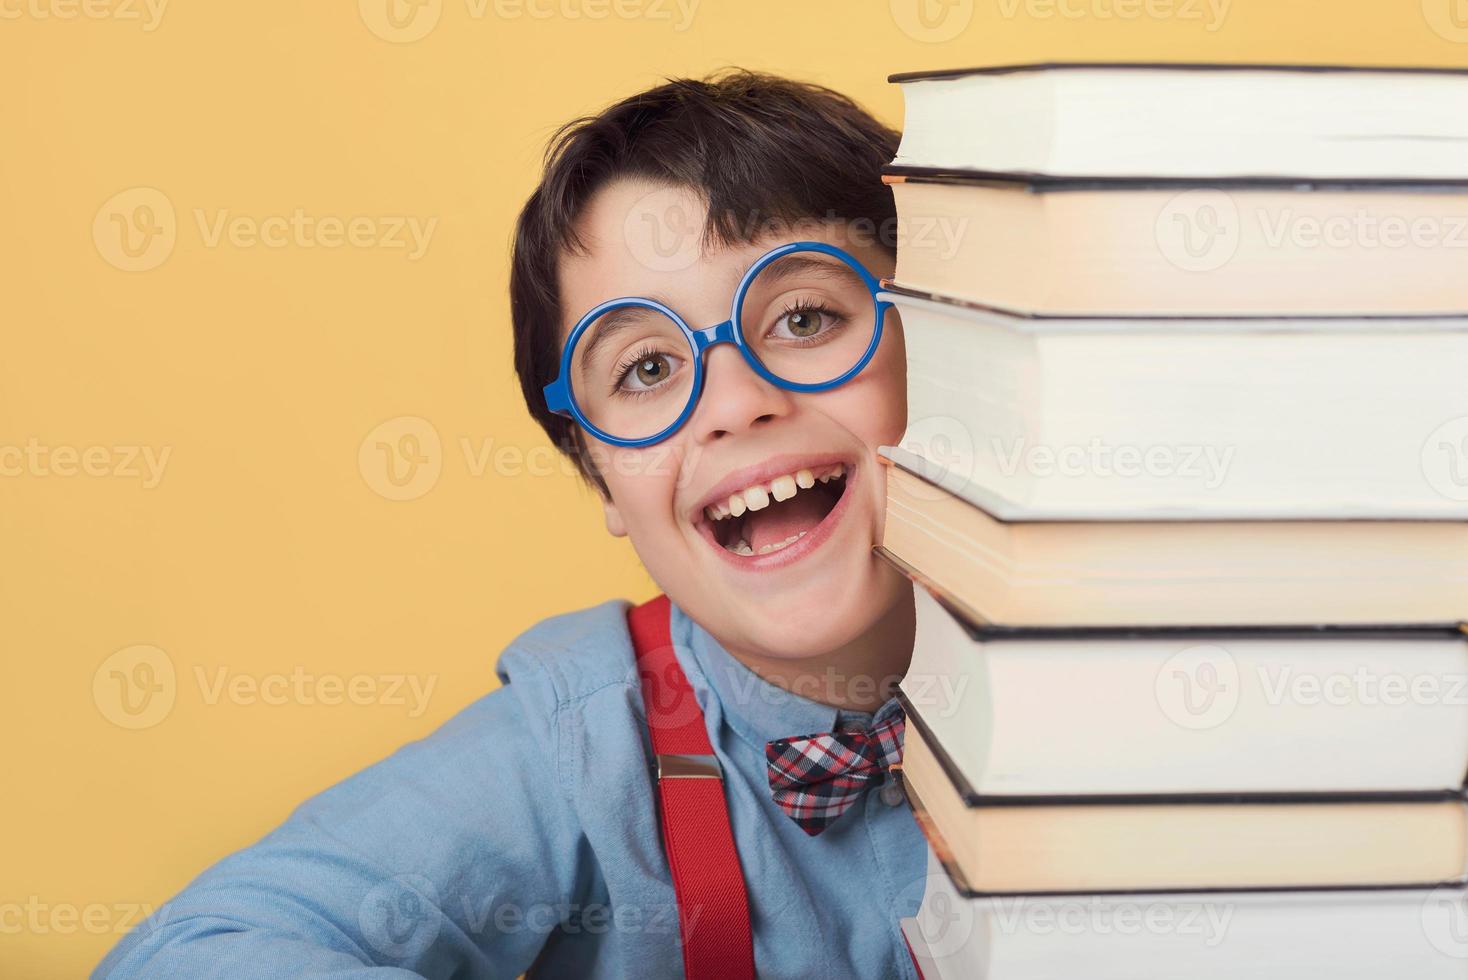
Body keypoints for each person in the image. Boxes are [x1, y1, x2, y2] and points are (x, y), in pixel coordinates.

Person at [93, 69, 925, 979]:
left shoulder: (1099, 683)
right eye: (646, 370)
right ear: (600, 473)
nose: (735, 401)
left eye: (805, 318)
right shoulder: (584, 737)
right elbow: (187, 954)